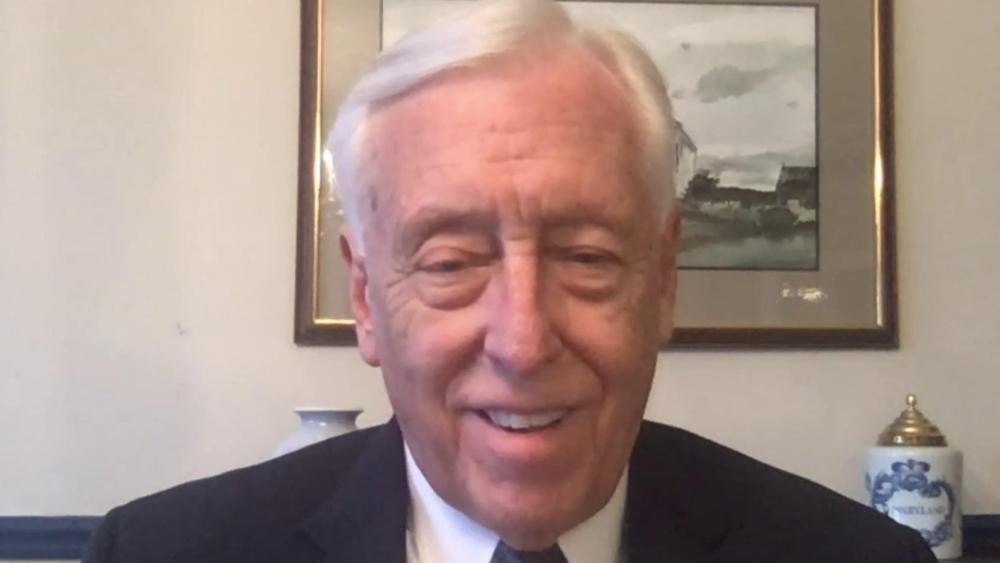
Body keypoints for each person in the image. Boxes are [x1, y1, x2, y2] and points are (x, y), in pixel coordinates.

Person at [83, 1, 936, 562]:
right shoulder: (161, 552)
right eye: (451, 263)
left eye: (587, 257)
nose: (523, 343)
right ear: (366, 297)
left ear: (663, 282)